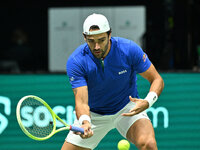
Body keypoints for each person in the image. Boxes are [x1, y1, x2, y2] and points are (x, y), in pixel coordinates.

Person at [62, 13, 164, 150]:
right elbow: (81, 102)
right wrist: (85, 121)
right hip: (94, 115)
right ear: (84, 37)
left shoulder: (128, 49)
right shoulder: (76, 61)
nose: (97, 46)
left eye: (101, 40)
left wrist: (147, 101)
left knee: (149, 144)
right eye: (91, 41)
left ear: (110, 34)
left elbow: (157, 79)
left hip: (127, 108)